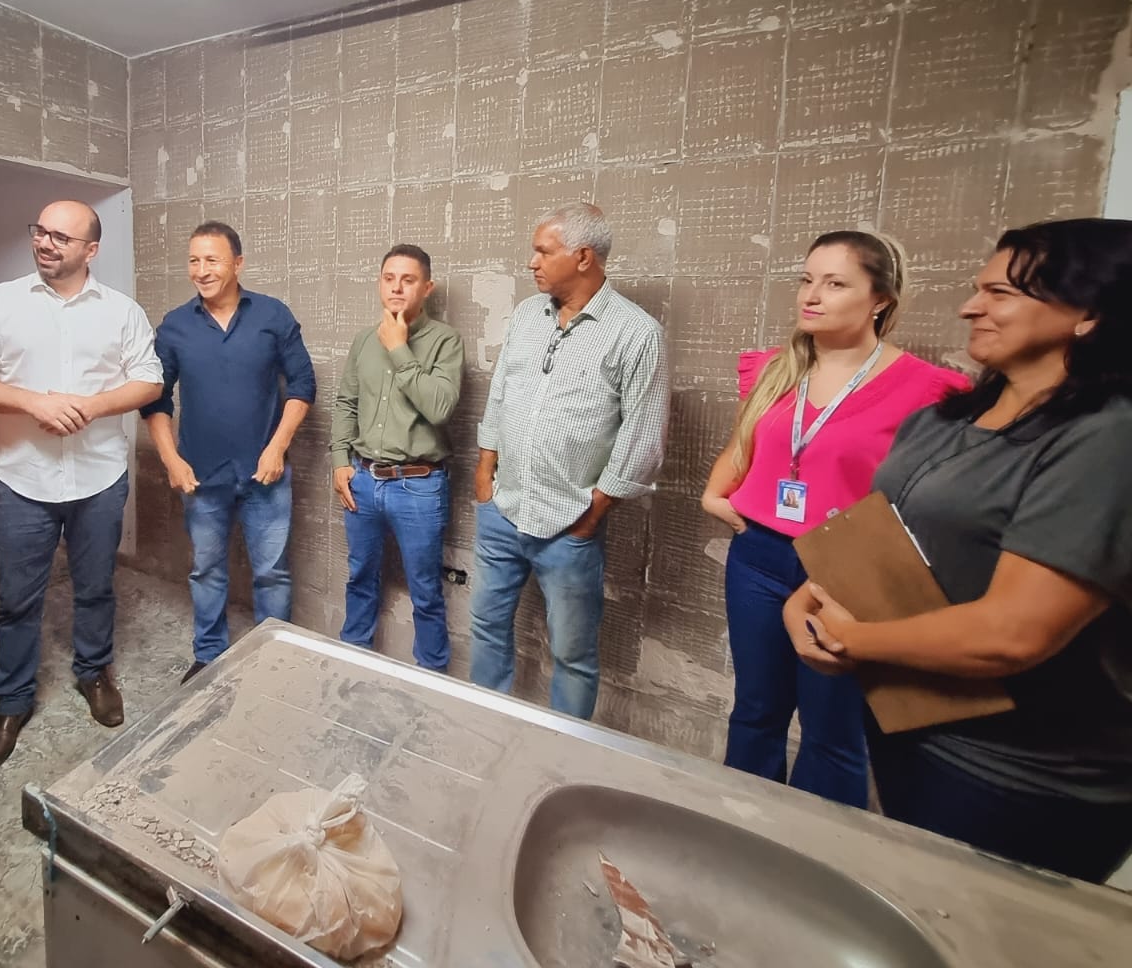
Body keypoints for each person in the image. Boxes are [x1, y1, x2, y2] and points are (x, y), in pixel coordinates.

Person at [786, 219, 1132, 882]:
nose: (971, 307)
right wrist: (810, 596)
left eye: (1000, 294)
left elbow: (1012, 634)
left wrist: (851, 639)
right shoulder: (946, 420)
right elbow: (883, 532)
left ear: (1089, 312)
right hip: (914, 730)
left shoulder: (1105, 438)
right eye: (978, 290)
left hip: (1021, 777)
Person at [701, 231, 967, 808]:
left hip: (851, 568)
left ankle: (812, 851)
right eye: (806, 280)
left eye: (835, 283)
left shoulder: (929, 390)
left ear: (880, 300)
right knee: (755, 712)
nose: (812, 295)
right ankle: (740, 830)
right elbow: (744, 447)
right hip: (759, 558)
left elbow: (938, 501)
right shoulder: (775, 368)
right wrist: (715, 497)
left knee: (832, 733)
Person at [0, 201, 162, 770]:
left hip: (99, 476)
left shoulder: (121, 311)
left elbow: (149, 380)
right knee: (18, 599)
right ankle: (12, 702)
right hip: (23, 479)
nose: (45, 243)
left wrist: (91, 406)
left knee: (95, 587)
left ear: (91, 250)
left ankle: (93, 673)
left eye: (61, 237)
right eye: (40, 231)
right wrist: (32, 402)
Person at [469, 202, 668, 719]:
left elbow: (643, 438)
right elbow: (500, 394)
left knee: (572, 655)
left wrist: (593, 514)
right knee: (487, 627)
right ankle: (482, 729)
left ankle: (564, 750)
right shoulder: (525, 316)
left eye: (543, 251)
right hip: (502, 510)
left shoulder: (636, 332)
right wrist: (485, 474)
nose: (532, 262)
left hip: (570, 524)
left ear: (583, 257)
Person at [142, 221, 315, 682]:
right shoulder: (175, 326)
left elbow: (303, 385)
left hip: (266, 475)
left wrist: (277, 448)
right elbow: (155, 399)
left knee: (272, 573)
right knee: (206, 570)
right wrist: (171, 460)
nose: (201, 270)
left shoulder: (273, 315)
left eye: (212, 260)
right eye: (194, 260)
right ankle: (209, 655)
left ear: (237, 263)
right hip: (201, 477)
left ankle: (274, 657)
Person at [330, 244, 464, 669]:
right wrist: (340, 461)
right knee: (360, 578)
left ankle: (432, 677)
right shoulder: (362, 340)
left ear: (427, 287)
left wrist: (399, 348)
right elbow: (346, 403)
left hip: (419, 486)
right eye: (389, 279)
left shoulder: (445, 341)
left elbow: (439, 408)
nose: (397, 288)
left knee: (425, 591)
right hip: (363, 481)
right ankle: (352, 663)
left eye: (408, 280)